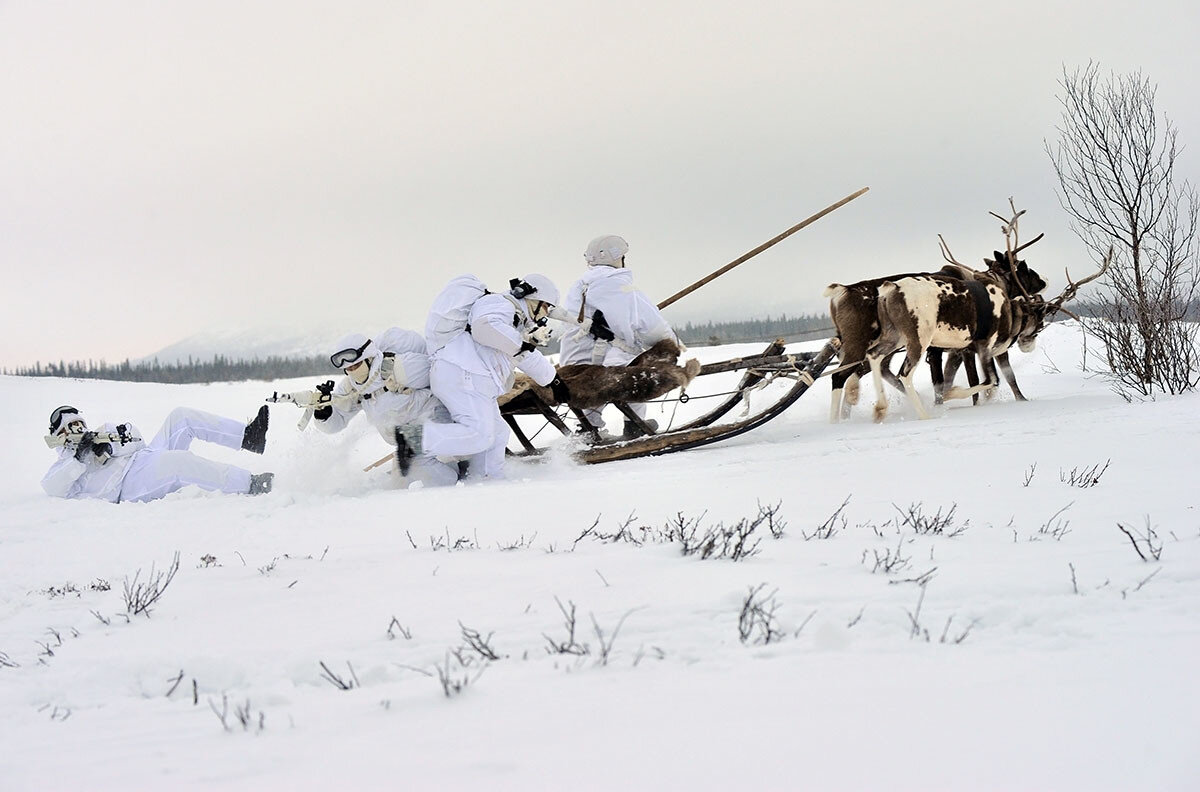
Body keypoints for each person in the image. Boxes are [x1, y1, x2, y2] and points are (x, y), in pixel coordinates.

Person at [395, 274, 570, 480]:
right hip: (463, 373)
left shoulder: (514, 319)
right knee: (479, 435)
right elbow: (484, 326)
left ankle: (485, 481)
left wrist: (553, 380)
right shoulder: (499, 303)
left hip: (471, 377)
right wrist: (522, 342)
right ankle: (415, 437)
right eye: (547, 306)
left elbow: (523, 354)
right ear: (534, 298)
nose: (546, 313)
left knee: (497, 434)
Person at [558, 234, 680, 436]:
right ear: (618, 257)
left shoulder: (580, 285)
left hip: (572, 360)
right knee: (638, 371)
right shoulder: (617, 284)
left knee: (608, 366)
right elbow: (650, 325)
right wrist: (671, 344)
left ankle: (589, 426)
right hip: (599, 361)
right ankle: (634, 424)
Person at [310, 328, 460, 487]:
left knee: (419, 469)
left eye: (357, 365)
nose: (353, 371)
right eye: (349, 369)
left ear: (368, 358)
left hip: (435, 422)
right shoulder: (353, 388)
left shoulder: (400, 368)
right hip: (407, 441)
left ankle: (460, 476)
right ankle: (444, 465)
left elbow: (446, 376)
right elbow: (336, 422)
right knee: (400, 481)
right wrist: (323, 414)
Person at [41, 404, 274, 503]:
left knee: (180, 416)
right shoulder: (63, 465)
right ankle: (250, 484)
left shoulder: (101, 433)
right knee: (178, 463)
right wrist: (79, 458)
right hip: (129, 486)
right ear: (60, 434)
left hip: (145, 457)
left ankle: (248, 437)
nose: (79, 430)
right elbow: (53, 488)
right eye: (71, 427)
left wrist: (110, 447)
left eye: (80, 424)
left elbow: (136, 438)